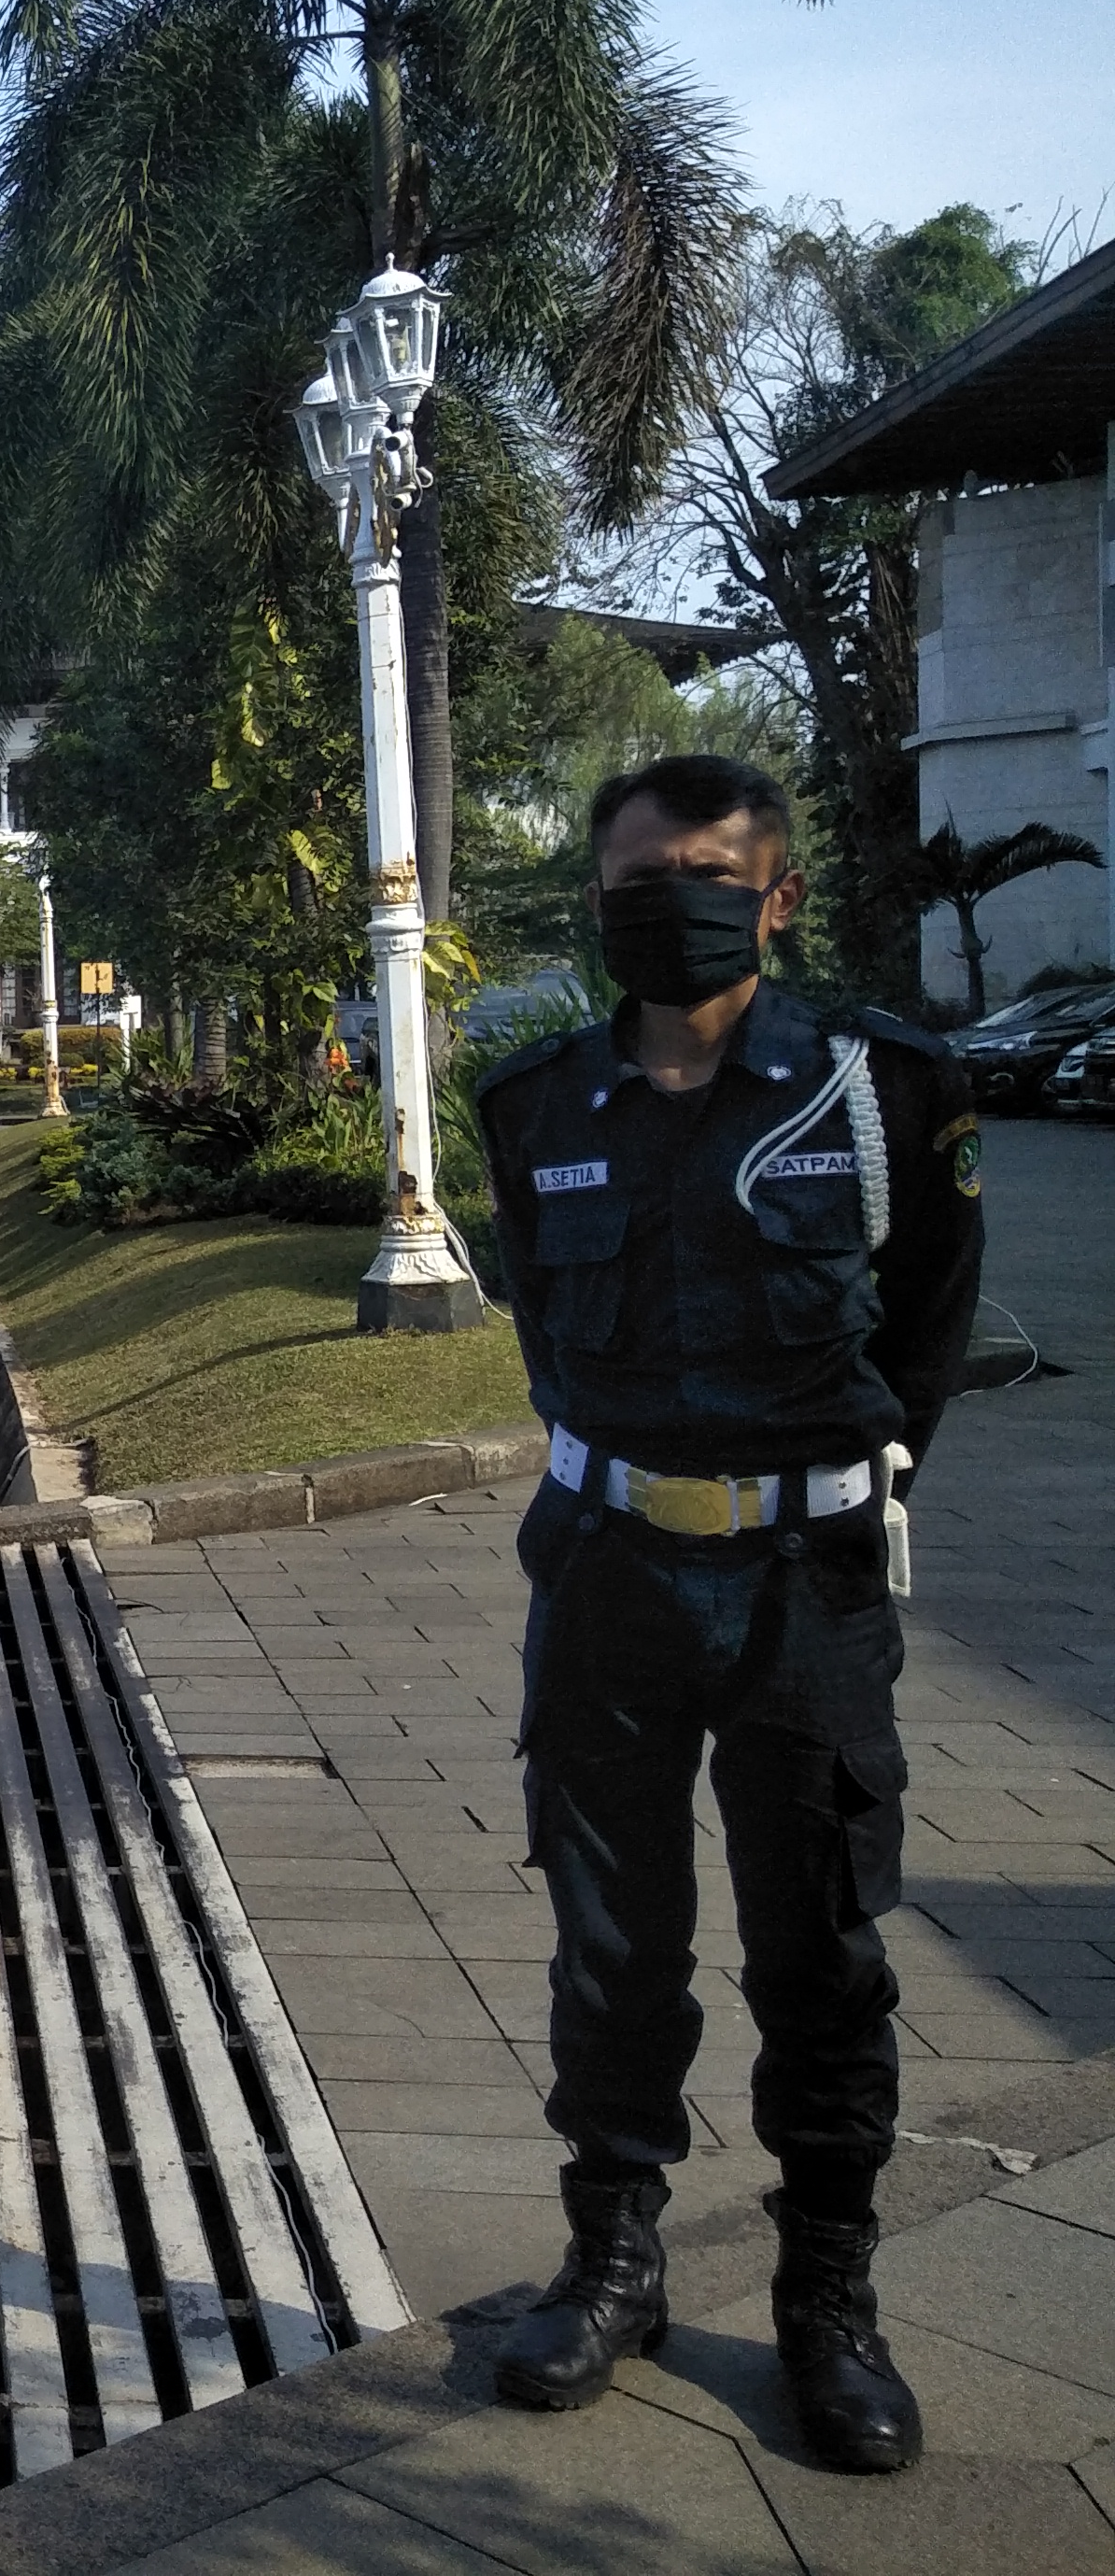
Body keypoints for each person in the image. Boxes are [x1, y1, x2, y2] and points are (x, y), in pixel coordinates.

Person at [473, 753, 981, 2475]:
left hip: (804, 1591)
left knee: (820, 1947)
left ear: (775, 899)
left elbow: (920, 1341)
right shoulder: (536, 1103)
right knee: (612, 1949)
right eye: (635, 881)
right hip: (607, 1573)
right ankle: (611, 2255)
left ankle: (825, 2296)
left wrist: (821, 1492)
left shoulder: (880, 1089)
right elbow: (545, 1328)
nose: (665, 905)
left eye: (701, 877)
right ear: (598, 898)